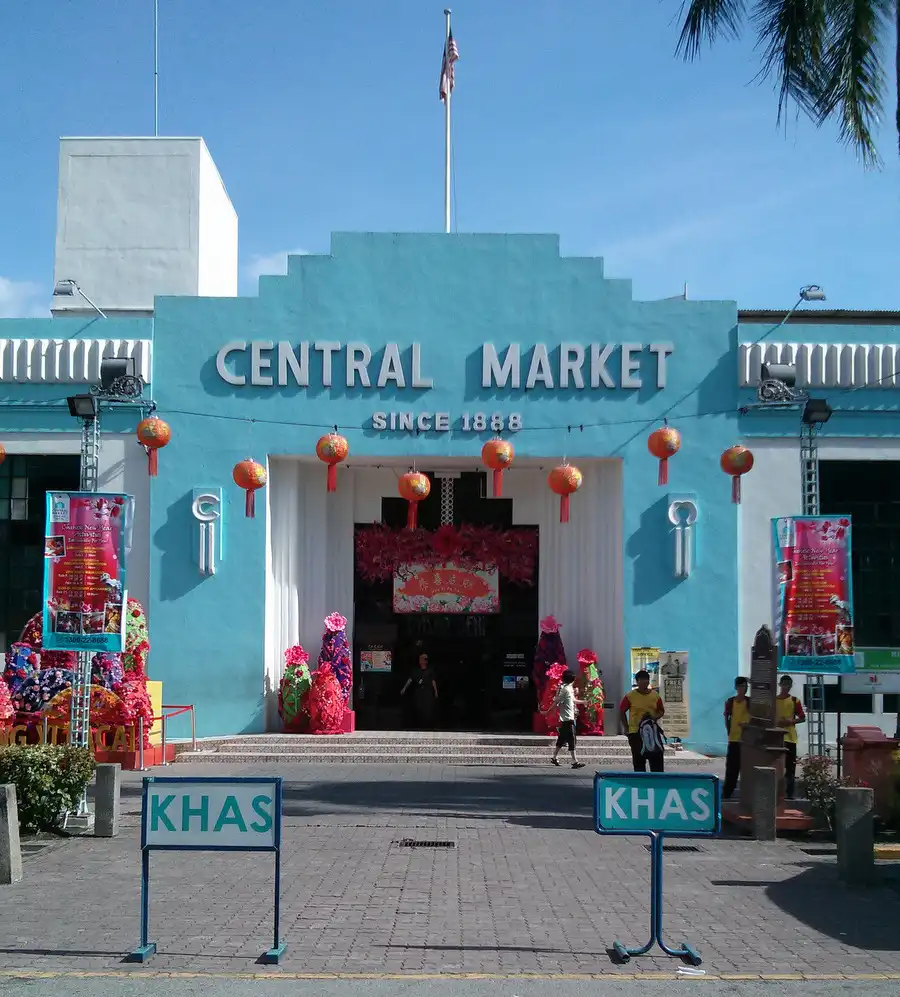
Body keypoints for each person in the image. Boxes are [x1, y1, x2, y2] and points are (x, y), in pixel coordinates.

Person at [619, 670, 665, 772]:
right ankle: (640, 784)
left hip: (652, 733)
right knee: (639, 761)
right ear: (637, 681)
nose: (644, 682)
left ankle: (658, 782)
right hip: (635, 733)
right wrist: (626, 728)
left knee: (657, 758)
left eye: (646, 679)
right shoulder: (630, 696)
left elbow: (661, 711)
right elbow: (621, 711)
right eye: (642, 680)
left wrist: (654, 717)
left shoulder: (655, 696)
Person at [775, 674, 806, 798]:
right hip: (775, 737)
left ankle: (789, 793)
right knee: (776, 766)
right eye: (784, 684)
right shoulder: (774, 700)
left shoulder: (794, 700)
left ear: (790, 686)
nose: (785, 687)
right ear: (780, 685)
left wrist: (790, 721)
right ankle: (777, 791)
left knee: (790, 767)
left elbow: (802, 718)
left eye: (788, 685)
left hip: (790, 738)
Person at [550, 670, 586, 769]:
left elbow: (573, 700)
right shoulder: (565, 689)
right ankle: (574, 761)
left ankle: (554, 757)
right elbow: (557, 700)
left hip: (568, 717)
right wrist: (548, 711)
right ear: (572, 679)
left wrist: (584, 702)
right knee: (572, 739)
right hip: (567, 718)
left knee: (562, 738)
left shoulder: (569, 688)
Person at [723, 676, 751, 799]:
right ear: (736, 687)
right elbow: (727, 717)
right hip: (734, 739)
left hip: (747, 741)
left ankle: (747, 794)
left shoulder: (750, 702)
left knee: (747, 768)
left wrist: (748, 725)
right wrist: (729, 731)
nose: (743, 689)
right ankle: (727, 793)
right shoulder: (730, 701)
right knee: (731, 769)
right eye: (741, 686)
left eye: (745, 686)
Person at [400, 652, 439, 729]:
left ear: (426, 661)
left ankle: (428, 726)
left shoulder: (430, 670)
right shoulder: (416, 671)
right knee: (418, 708)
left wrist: (436, 691)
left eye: (423, 659)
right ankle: (419, 725)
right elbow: (410, 679)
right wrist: (404, 688)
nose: (421, 661)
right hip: (418, 691)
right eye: (420, 659)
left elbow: (433, 681)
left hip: (427, 691)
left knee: (427, 709)